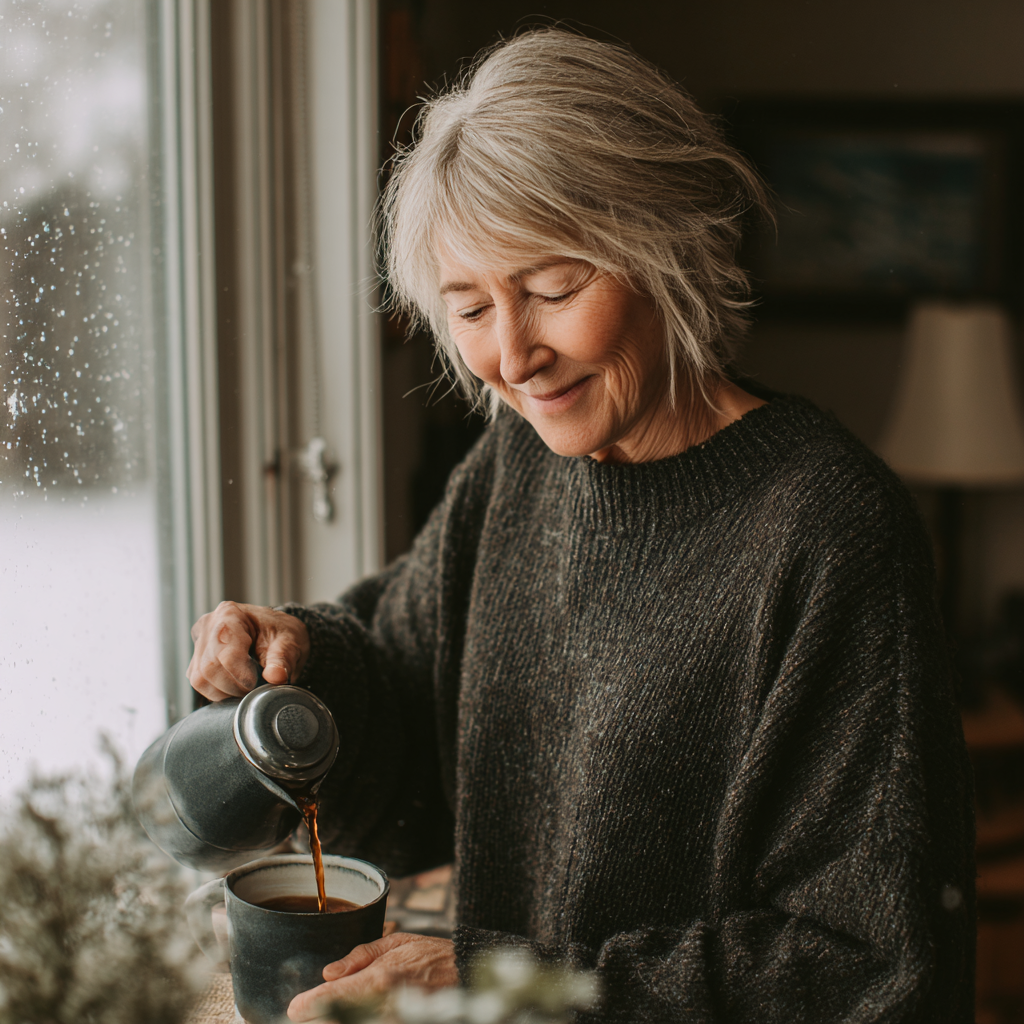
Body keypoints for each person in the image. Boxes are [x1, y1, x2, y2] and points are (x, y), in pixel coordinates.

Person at [188, 28, 975, 1023]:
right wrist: (290, 661)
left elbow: (864, 965)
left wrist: (507, 984)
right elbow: (406, 704)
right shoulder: (517, 466)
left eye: (553, 290)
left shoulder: (827, 530)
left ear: (666, 249)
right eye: (471, 308)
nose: (514, 356)